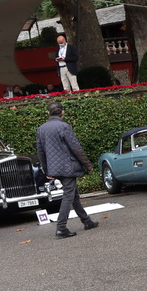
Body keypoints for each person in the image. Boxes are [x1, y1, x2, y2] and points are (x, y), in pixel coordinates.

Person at [36, 102, 98, 239]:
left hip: (54, 168)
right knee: (68, 196)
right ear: (62, 112)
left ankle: (87, 221)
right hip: (68, 167)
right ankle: (61, 228)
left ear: (48, 113)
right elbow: (75, 147)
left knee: (73, 195)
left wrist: (47, 170)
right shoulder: (64, 126)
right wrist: (88, 165)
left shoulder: (41, 129)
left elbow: (41, 152)